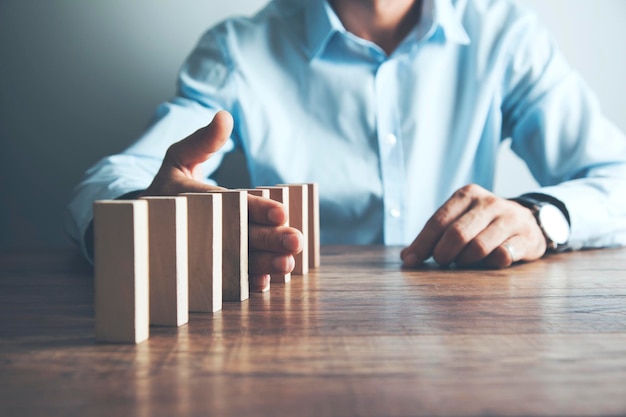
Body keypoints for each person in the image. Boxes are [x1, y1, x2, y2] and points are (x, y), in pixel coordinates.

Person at [66, 0, 626, 291]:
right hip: (288, 344)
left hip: (464, 348)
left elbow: (616, 175)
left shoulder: (507, 38)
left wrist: (541, 219)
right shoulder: (238, 49)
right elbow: (111, 181)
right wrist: (150, 212)